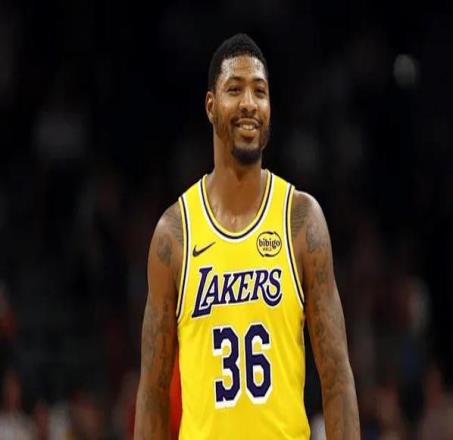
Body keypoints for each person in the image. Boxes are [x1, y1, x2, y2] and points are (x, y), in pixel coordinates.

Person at [134, 33, 360, 439]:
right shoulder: (175, 234)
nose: (249, 103)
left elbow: (337, 379)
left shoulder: (300, 220)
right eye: (234, 89)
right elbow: (152, 393)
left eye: (260, 91)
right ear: (210, 106)